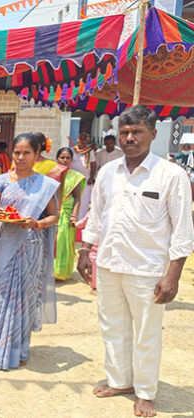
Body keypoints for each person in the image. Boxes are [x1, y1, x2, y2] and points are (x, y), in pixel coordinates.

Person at [77, 105, 194, 418]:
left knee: (146, 333)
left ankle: (144, 392)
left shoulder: (171, 175)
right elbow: (97, 216)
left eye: (137, 132)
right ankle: (119, 380)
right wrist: (85, 250)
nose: (129, 138)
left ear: (153, 135)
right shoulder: (107, 173)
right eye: (125, 132)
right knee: (113, 327)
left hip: (148, 270)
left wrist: (173, 276)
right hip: (110, 264)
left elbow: (183, 229)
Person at [0, 133, 60, 370]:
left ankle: (18, 350)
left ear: (37, 155)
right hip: (5, 241)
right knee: (0, 295)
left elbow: (54, 216)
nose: (21, 157)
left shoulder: (44, 183)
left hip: (30, 244)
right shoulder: (3, 179)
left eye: (26, 153)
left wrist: (36, 223)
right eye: (17, 152)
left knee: (24, 297)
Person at [54, 148, 85, 281]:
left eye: (67, 158)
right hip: (52, 213)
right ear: (57, 159)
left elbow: (77, 198)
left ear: (72, 160)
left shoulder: (76, 177)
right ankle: (49, 271)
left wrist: (74, 215)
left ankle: (61, 272)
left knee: (64, 242)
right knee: (53, 241)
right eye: (62, 157)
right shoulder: (52, 175)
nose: (65, 160)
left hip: (66, 214)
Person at [72, 132, 96, 219]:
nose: (82, 141)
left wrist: (92, 177)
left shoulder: (90, 152)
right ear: (77, 140)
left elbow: (93, 165)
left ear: (87, 141)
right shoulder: (72, 151)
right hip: (73, 180)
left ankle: (81, 219)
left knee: (84, 200)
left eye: (84, 139)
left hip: (86, 180)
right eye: (80, 138)